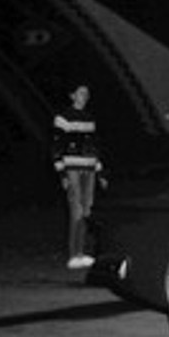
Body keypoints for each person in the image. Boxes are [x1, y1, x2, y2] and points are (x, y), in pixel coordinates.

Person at [52, 84, 104, 270]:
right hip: (72, 167)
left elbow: (94, 144)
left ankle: (81, 252)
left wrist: (100, 170)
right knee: (76, 211)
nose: (85, 96)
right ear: (72, 95)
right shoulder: (63, 117)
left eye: (87, 93)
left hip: (88, 167)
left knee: (87, 210)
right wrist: (62, 172)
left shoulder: (90, 118)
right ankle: (74, 254)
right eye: (81, 93)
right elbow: (57, 144)